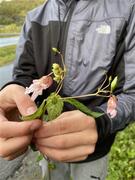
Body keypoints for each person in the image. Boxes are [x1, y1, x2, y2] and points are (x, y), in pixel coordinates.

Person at [0, 0, 135, 179]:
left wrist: (100, 122)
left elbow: (131, 92)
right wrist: (14, 95)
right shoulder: (35, 17)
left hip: (94, 150)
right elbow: (24, 75)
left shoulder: (127, 8)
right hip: (46, 143)